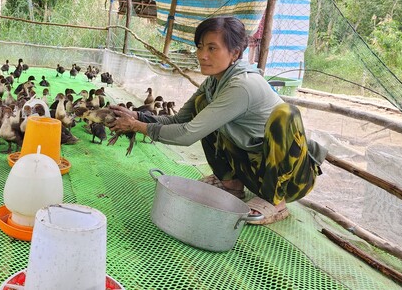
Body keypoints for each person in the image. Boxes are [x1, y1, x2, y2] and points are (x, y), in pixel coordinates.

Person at [108, 16, 326, 225]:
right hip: (255, 169)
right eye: (200, 47)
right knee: (204, 107)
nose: (202, 55)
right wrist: (138, 116)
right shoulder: (213, 84)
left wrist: (137, 127)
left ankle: (276, 203)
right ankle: (231, 184)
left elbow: (187, 134)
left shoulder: (242, 86)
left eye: (212, 48)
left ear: (235, 53)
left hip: (293, 178)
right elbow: (179, 120)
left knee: (286, 115)